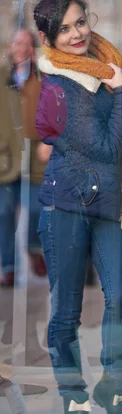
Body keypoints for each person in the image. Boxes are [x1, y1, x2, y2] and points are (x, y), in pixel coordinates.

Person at [34, 0, 122, 414]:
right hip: (66, 206)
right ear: (50, 38)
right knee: (66, 313)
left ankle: (113, 389)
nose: (77, 33)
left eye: (80, 22)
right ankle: (74, 401)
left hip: (109, 205)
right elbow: (106, 146)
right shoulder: (57, 85)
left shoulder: (109, 68)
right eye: (64, 28)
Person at [0, 29, 49, 287]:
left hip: (35, 158)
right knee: (4, 212)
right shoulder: (1, 76)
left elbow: (54, 111)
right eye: (15, 42)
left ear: (32, 48)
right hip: (5, 158)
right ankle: (8, 266)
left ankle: (33, 248)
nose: (18, 47)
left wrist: (49, 141)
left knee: (34, 209)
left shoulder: (42, 77)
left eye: (24, 43)